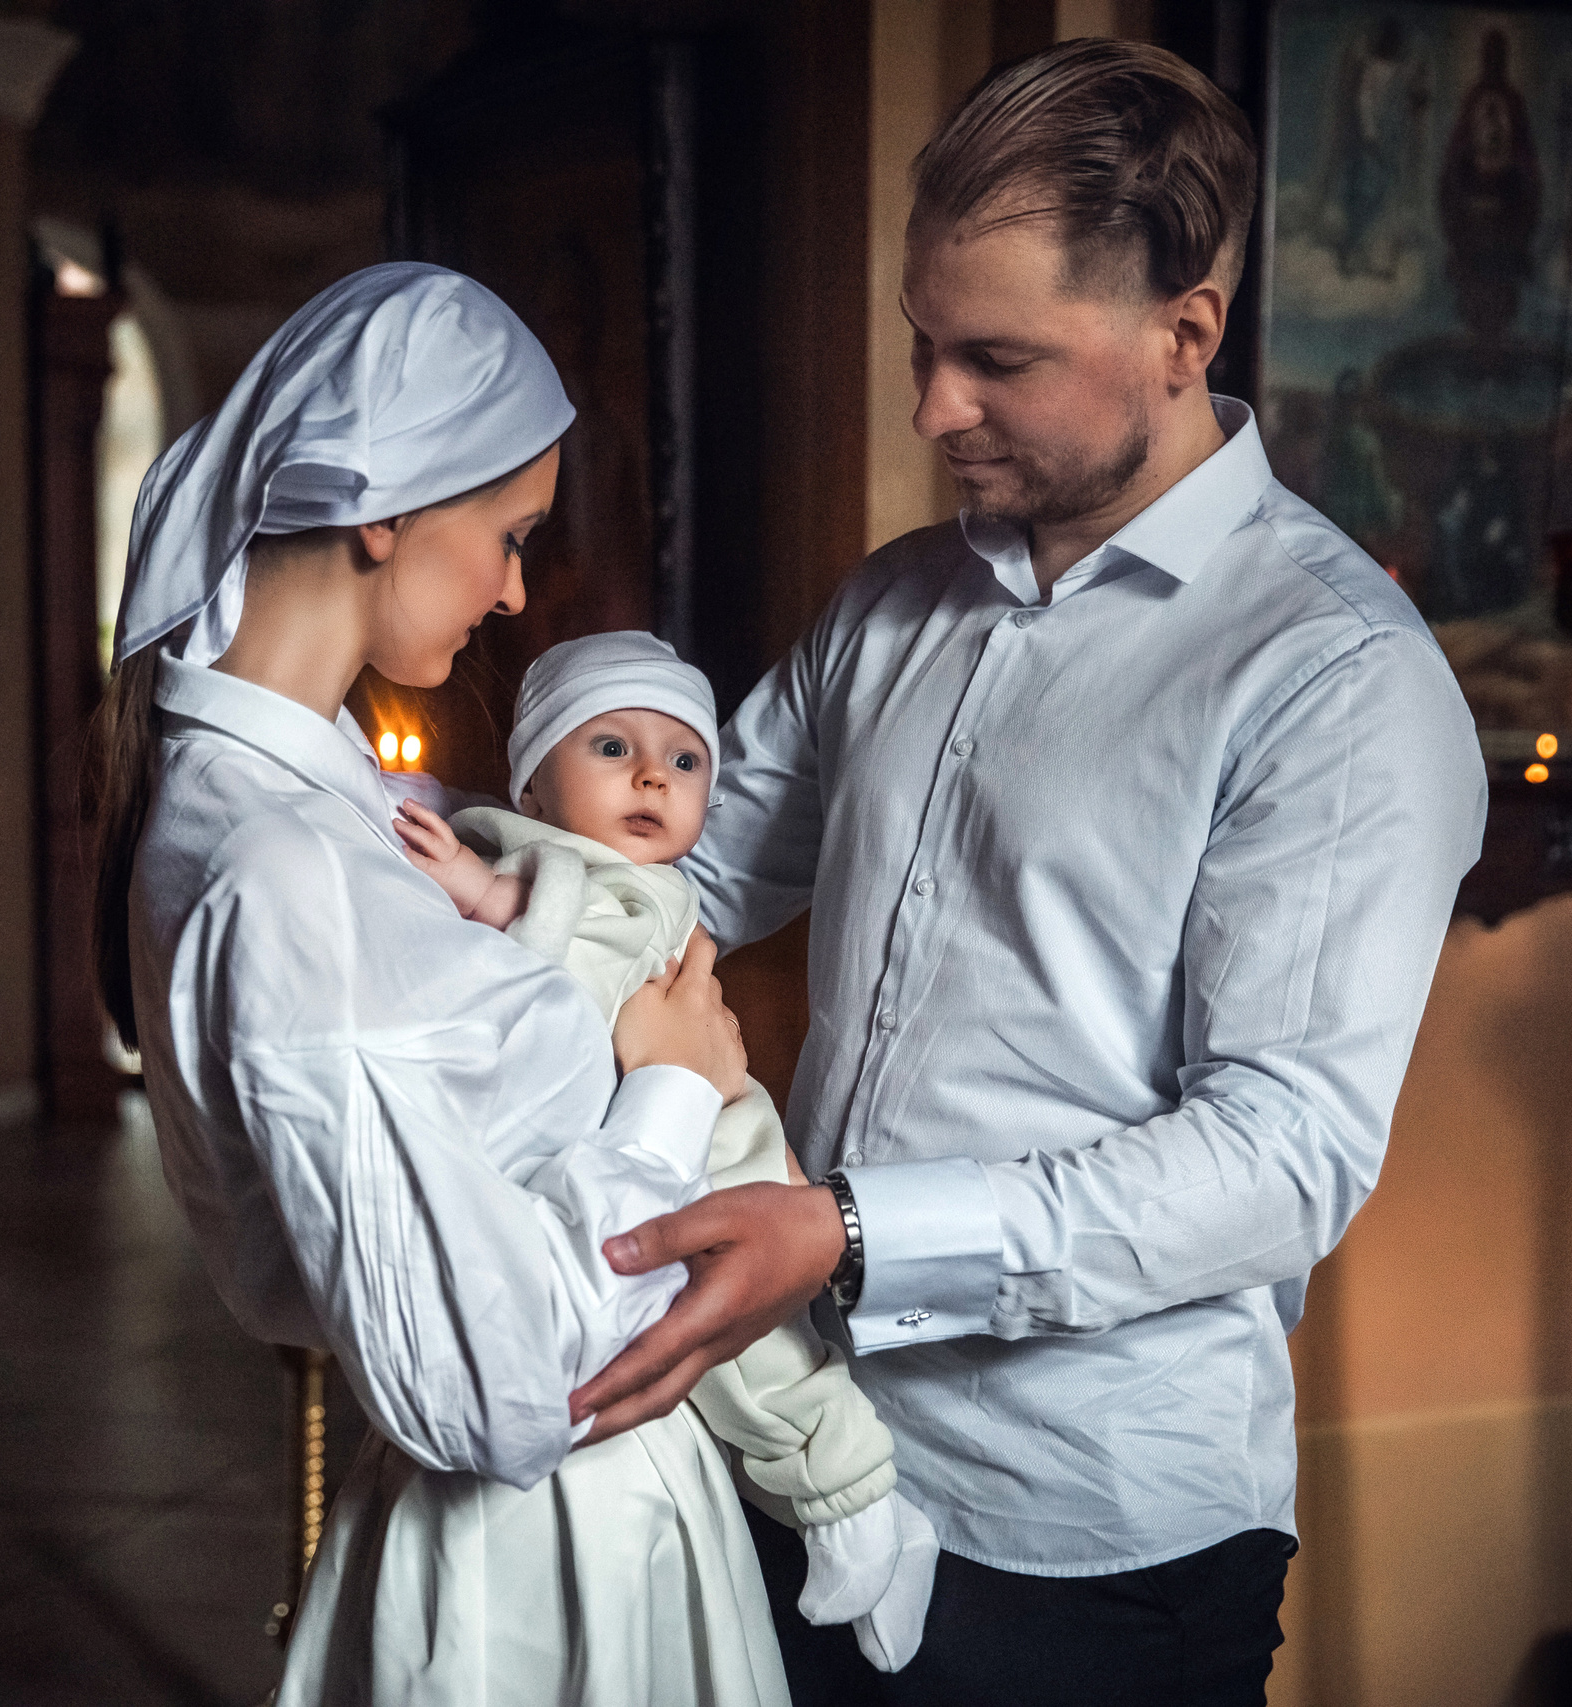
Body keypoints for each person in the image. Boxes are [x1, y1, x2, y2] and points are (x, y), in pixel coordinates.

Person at [570, 40, 1489, 1705]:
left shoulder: (1338, 676)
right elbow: (677, 872)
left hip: (1087, 1537)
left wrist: (845, 1232)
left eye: (996, 359)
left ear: (1184, 335)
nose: (933, 409)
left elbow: (1281, 1160)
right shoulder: (896, 601)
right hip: (799, 1449)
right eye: (926, 346)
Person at [90, 262, 784, 1704]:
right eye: (510, 533)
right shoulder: (283, 871)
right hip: (536, 1562)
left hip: (604, 1515)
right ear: (386, 509)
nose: (519, 586)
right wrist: (667, 1085)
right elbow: (496, 1385)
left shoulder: (337, 803)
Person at [394, 629, 937, 1671]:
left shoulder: (632, 887)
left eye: (684, 761)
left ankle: (858, 1508)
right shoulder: (566, 861)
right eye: (610, 747)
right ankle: (852, 1508)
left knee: (752, 1358)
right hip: (663, 1144)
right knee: (735, 1353)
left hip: (711, 1163)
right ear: (533, 788)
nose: (653, 774)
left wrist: (482, 891)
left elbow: (571, 964)